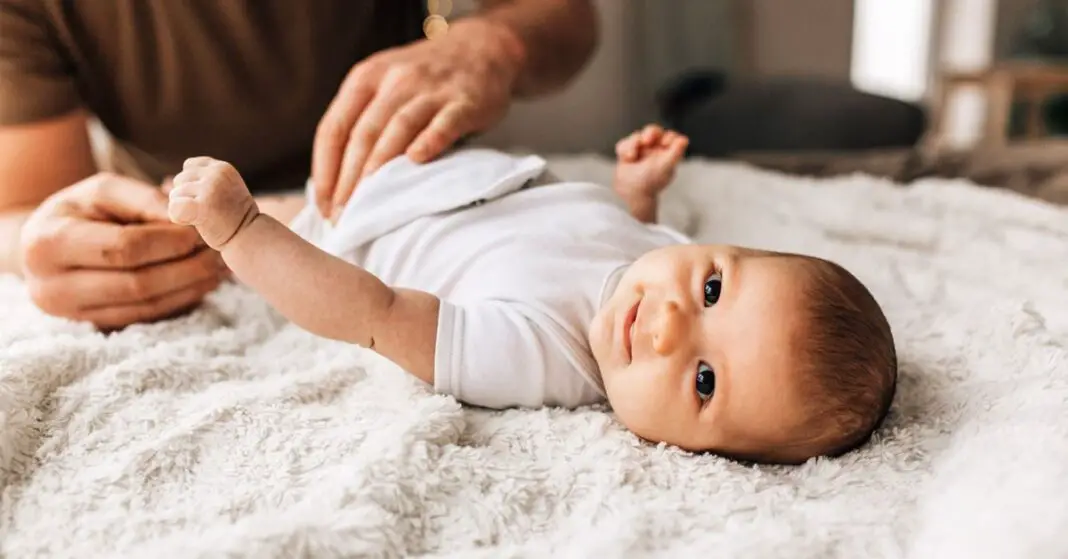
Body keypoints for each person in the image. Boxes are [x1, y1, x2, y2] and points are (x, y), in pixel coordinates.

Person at [164, 124, 899, 464]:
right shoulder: (662, 258)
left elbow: (374, 314)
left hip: (349, 231)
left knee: (169, 218)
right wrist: (634, 194)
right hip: (420, 166)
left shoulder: (541, 355)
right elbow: (621, 237)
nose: (671, 324)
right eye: (713, 287)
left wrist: (243, 229)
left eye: (704, 380)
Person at [0, 0, 597, 330]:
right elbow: (23, 208)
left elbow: (567, 17)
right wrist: (42, 241)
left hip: (416, 192)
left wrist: (494, 44)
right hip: (184, 238)